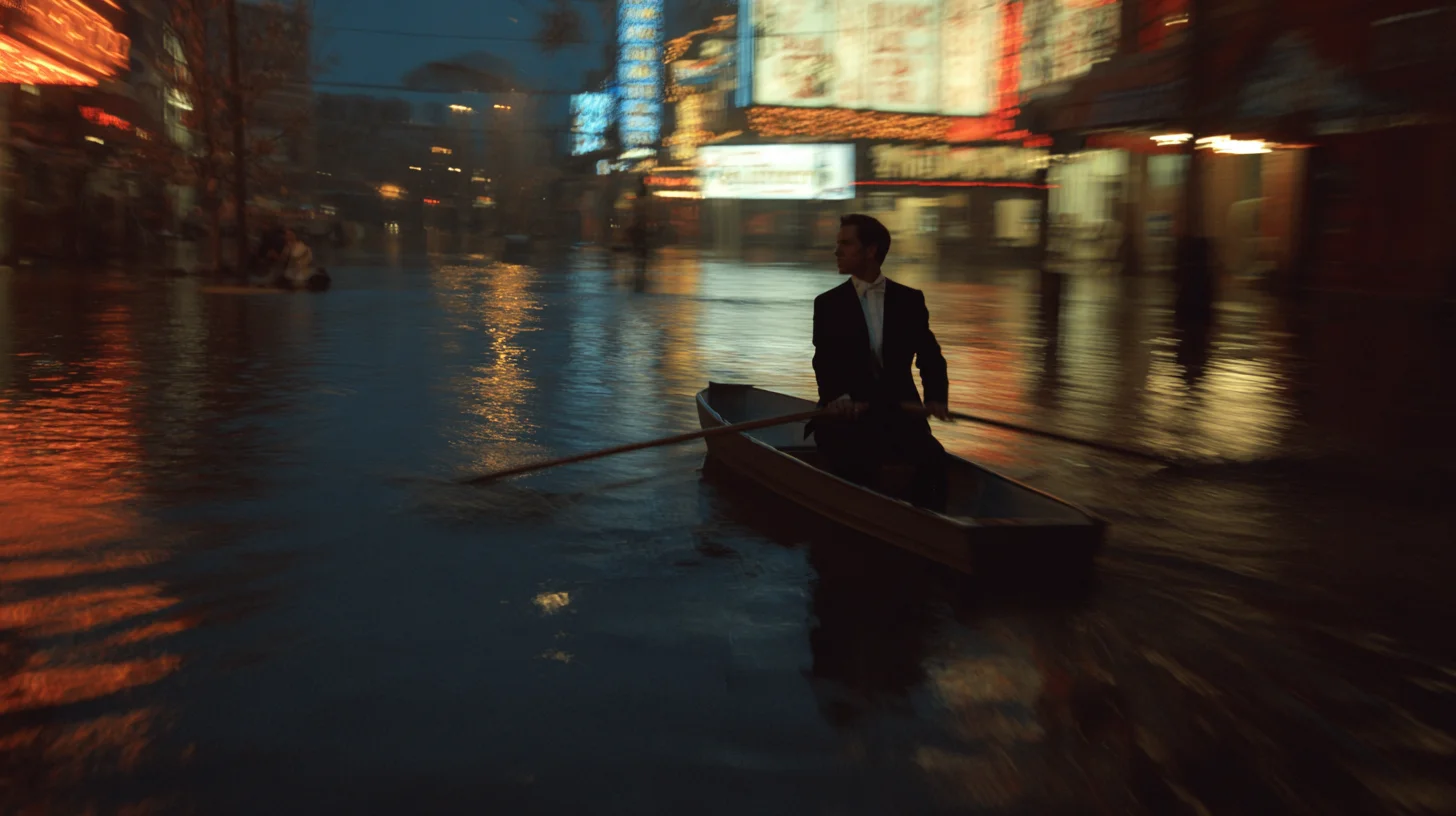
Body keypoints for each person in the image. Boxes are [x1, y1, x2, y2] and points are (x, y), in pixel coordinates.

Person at [808, 213, 950, 512]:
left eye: (846, 244)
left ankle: (933, 526)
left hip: (899, 411)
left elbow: (929, 355)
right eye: (838, 244)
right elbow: (824, 362)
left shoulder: (909, 300)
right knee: (853, 461)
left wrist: (936, 397)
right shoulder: (827, 304)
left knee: (935, 461)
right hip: (846, 414)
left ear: (871, 250)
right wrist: (839, 399)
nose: (837, 251)